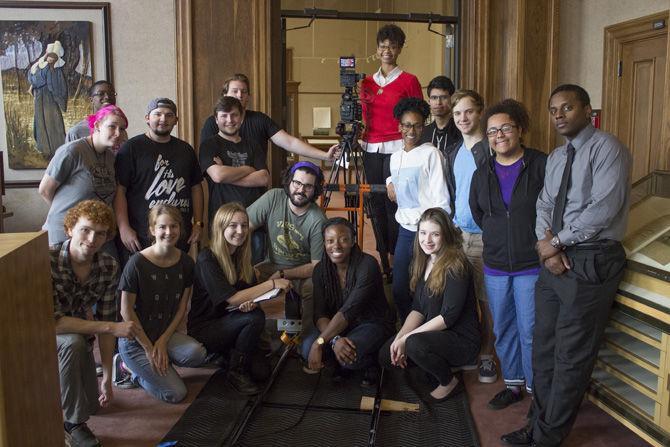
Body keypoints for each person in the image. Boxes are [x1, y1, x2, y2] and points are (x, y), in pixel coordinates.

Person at [502, 84, 631, 446]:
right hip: (554, 260)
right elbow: (544, 204)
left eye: (567, 108)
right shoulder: (558, 158)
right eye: (553, 109)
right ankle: (536, 423)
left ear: (587, 110)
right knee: (543, 349)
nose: (558, 115)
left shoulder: (608, 149)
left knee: (571, 356)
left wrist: (556, 243)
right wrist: (549, 247)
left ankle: (547, 437)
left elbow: (602, 209)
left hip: (591, 260)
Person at [470, 99, 547, 410]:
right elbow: (479, 213)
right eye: (491, 131)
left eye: (505, 128)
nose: (498, 135)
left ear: (520, 129)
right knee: (503, 328)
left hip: (531, 263)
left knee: (531, 329)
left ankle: (535, 389)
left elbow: (552, 209)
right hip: (497, 264)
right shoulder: (482, 172)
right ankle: (513, 385)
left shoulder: (541, 164)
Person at [51, 200, 139, 447]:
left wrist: (108, 377)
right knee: (72, 342)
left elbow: (108, 317)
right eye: (85, 230)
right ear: (70, 229)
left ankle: (73, 404)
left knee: (93, 404)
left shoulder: (108, 266)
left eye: (100, 233)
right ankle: (72, 425)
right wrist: (109, 327)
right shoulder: (46, 260)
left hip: (82, 334)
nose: (92, 239)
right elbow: (54, 324)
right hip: (40, 334)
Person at [378, 208, 480, 401]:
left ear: (446, 235)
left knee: (414, 344)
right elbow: (417, 309)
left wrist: (407, 338)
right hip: (436, 336)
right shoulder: (425, 260)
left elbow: (447, 318)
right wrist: (399, 338)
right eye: (423, 233)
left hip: (461, 339)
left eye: (435, 234)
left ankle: (449, 381)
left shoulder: (456, 265)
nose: (428, 240)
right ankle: (433, 360)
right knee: (386, 354)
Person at [188, 203, 291, 395]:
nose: (240, 231)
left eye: (244, 225)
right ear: (221, 228)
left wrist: (250, 302)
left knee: (262, 372)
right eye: (233, 225)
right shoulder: (207, 258)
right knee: (255, 318)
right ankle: (236, 372)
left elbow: (247, 295)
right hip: (205, 327)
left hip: (230, 321)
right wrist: (272, 284)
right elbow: (233, 299)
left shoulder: (241, 257)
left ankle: (227, 356)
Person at [117, 204, 207, 403]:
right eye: (162, 227)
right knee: (176, 394)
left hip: (163, 334)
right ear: (152, 230)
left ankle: (158, 368)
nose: (169, 232)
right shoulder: (136, 264)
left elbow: (182, 307)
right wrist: (150, 348)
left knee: (198, 354)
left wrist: (163, 341)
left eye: (174, 226)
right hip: (136, 341)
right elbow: (126, 311)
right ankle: (130, 369)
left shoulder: (186, 263)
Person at [445, 89, 499, 383]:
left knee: (484, 299)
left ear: (480, 112)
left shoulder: (490, 148)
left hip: (483, 237)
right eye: (457, 114)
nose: (463, 118)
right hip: (457, 234)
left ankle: (487, 355)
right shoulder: (455, 151)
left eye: (468, 112)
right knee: (461, 298)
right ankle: (468, 349)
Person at [359, 24, 423, 275]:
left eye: (392, 46)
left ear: (399, 49)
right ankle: (383, 258)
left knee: (395, 201)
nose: (387, 50)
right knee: (375, 204)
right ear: (377, 49)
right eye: (383, 46)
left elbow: (418, 116)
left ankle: (400, 259)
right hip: (370, 147)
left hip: (398, 148)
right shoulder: (365, 82)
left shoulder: (409, 80)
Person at [301, 217, 394, 386]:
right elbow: (320, 313)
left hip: (371, 323)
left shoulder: (368, 265)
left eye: (343, 239)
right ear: (324, 243)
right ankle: (339, 356)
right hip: (338, 327)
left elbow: (349, 311)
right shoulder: (321, 270)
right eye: (330, 241)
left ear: (352, 241)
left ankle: (373, 362)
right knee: (307, 349)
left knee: (347, 358)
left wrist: (320, 343)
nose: (336, 246)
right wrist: (334, 339)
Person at [114, 98, 204, 262]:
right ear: (147, 118)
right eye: (158, 114)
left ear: (176, 120)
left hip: (179, 236)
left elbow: (196, 187)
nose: (163, 119)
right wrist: (123, 227)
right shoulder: (131, 148)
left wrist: (198, 223)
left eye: (169, 115)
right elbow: (120, 189)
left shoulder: (186, 150)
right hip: (140, 238)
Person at [386, 97, 450, 321]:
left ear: (423, 126)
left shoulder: (431, 154)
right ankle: (406, 331)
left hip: (427, 231)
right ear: (399, 126)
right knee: (400, 289)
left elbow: (441, 196)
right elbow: (396, 175)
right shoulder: (395, 157)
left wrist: (438, 231)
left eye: (417, 125)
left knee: (427, 289)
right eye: (406, 125)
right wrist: (388, 183)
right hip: (405, 230)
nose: (411, 130)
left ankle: (423, 336)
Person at [247, 161, 327, 335]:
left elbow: (316, 266)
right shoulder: (273, 197)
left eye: (308, 186)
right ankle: (258, 338)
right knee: (245, 278)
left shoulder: (318, 219)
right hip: (271, 265)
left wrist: (284, 275)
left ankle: (306, 340)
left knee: (313, 288)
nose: (300, 190)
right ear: (289, 181)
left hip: (303, 272)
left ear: (315, 190)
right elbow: (244, 227)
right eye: (297, 183)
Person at [39, 105, 128, 248]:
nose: (118, 133)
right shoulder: (72, 151)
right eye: (112, 126)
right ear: (97, 125)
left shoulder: (111, 157)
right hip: (63, 235)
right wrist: (71, 215)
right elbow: (45, 190)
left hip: (94, 235)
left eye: (122, 128)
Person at [200, 73, 339, 162]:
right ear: (225, 94)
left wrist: (324, 155)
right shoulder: (212, 123)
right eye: (234, 91)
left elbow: (290, 143)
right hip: (223, 198)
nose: (239, 95)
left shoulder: (260, 120)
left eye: (244, 92)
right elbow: (210, 165)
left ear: (248, 96)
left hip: (256, 195)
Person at [199, 96, 269, 262]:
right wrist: (247, 169)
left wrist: (226, 173)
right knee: (223, 270)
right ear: (216, 119)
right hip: (222, 221)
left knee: (253, 272)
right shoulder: (209, 145)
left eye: (234, 115)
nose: (229, 120)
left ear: (241, 117)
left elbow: (264, 178)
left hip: (253, 221)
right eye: (224, 116)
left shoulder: (253, 145)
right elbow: (217, 175)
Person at [28, 40, 68, 157]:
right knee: (41, 120)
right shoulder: (40, 67)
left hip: (51, 99)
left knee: (54, 120)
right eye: (49, 57)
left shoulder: (57, 70)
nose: (51, 59)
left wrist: (60, 97)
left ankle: (58, 147)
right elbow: (34, 79)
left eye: (53, 57)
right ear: (46, 56)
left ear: (56, 59)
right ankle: (44, 148)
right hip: (40, 98)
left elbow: (61, 85)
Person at [65, 80, 127, 148]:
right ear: (91, 100)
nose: (107, 97)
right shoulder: (76, 132)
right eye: (101, 94)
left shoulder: (120, 129)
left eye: (111, 94)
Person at [419, 76, 460, 156]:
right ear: (429, 101)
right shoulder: (423, 132)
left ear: (451, 100)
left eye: (444, 97)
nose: (438, 102)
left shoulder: (461, 130)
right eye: (434, 98)